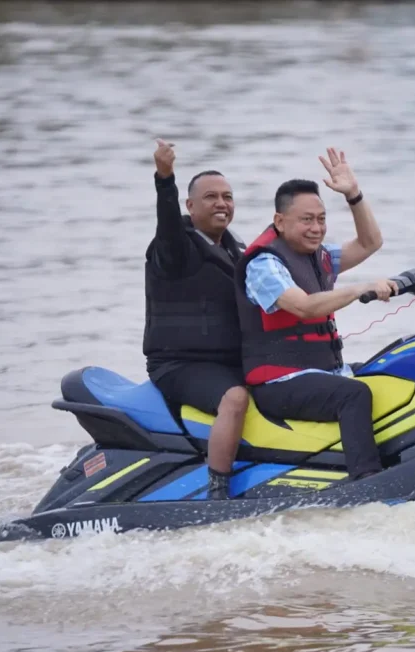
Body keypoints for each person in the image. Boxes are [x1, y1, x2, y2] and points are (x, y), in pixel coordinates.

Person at [235, 147, 399, 480]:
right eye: (306, 220)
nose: (316, 228)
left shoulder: (319, 256)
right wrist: (357, 289)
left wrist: (353, 195)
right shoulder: (264, 264)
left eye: (321, 219)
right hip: (277, 383)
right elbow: (303, 306)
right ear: (280, 222)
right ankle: (366, 481)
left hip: (322, 371)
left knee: (390, 369)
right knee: (354, 394)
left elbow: (370, 243)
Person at [143, 139, 250, 499]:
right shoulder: (175, 249)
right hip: (180, 364)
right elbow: (168, 223)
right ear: (190, 206)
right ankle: (217, 490)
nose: (222, 203)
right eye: (211, 197)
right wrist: (164, 177)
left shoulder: (238, 251)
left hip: (230, 360)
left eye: (228, 196)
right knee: (234, 399)